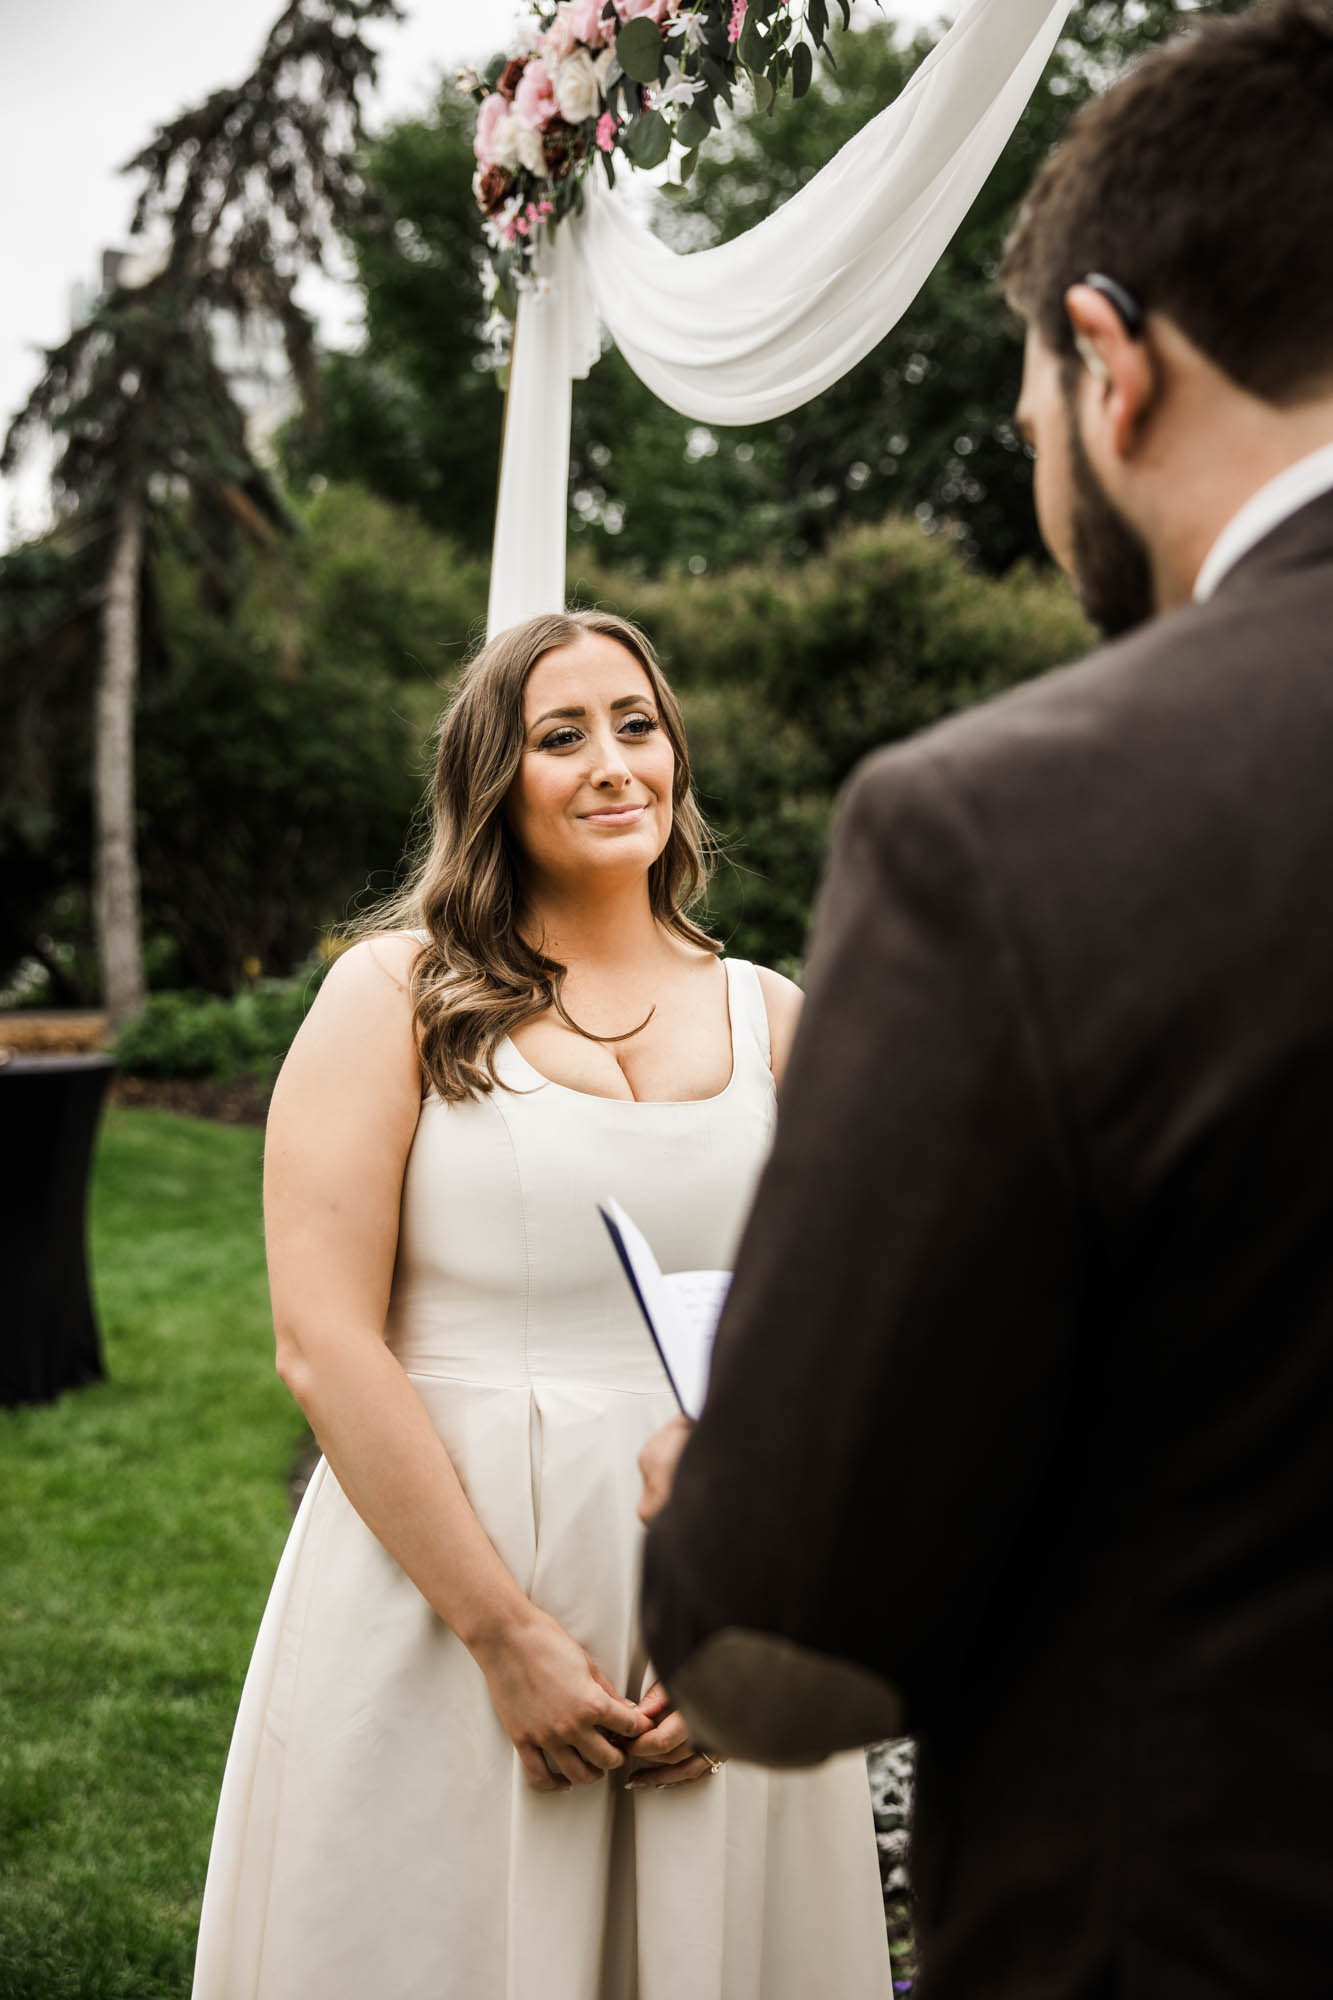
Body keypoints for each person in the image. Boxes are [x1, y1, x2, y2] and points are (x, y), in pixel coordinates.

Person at [637, 5, 1333, 1996]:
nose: (1032, 448)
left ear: (1113, 363)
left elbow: (776, 1639)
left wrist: (719, 1492)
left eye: (1025, 399)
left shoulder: (1008, 830)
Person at [190, 609, 891, 1999]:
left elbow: (841, 1347)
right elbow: (324, 1346)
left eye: (637, 725)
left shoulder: (776, 1018)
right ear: (489, 782)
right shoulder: (394, 997)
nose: (613, 761)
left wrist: (743, 1638)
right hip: (438, 1606)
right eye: (559, 735)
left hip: (706, 1595)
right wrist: (505, 1635)